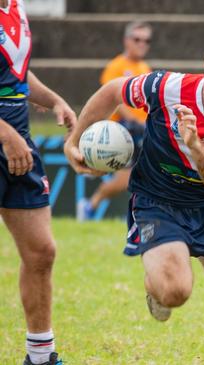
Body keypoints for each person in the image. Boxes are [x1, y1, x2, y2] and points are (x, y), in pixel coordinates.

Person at [64, 27, 204, 365]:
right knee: (174, 292)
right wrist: (74, 140)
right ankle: (156, 283)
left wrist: (196, 147)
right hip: (158, 201)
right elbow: (114, 91)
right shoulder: (168, 88)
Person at [0, 0, 77, 364]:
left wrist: (54, 99)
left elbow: (17, 74)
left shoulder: (16, 6)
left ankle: (40, 356)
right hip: (8, 136)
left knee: (41, 252)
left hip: (19, 139)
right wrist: (5, 135)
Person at [77, 21, 152, 221]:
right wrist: (135, 121)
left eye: (146, 40)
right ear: (126, 40)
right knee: (123, 181)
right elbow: (111, 99)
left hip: (143, 131)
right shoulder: (116, 66)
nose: (142, 44)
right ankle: (90, 204)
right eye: (137, 39)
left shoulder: (145, 67)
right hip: (123, 131)